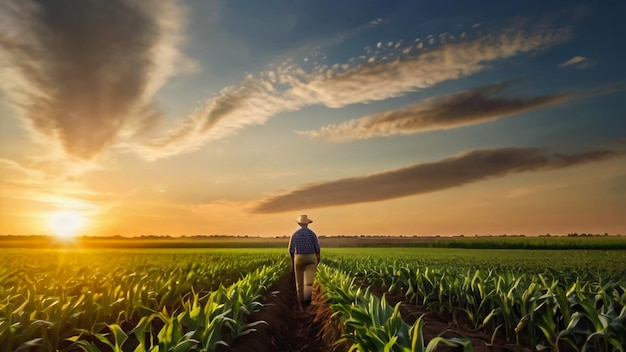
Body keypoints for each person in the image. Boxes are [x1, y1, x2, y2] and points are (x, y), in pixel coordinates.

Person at [288, 214, 321, 307]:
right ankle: (308, 301)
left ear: (299, 224)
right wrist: (318, 259)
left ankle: (301, 301)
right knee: (309, 282)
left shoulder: (294, 234)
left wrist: (293, 259)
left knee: (299, 280)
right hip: (311, 257)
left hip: (298, 257)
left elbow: (290, 250)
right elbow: (317, 249)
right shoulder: (312, 233)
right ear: (308, 224)